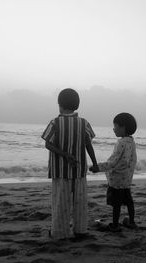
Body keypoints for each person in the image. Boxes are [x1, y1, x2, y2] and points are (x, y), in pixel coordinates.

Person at [41, 88, 98, 239]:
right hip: (79, 172)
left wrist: (65, 155)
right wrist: (95, 163)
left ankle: (59, 233)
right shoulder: (84, 123)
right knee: (80, 203)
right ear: (77, 105)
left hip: (60, 172)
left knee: (60, 203)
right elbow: (88, 145)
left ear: (59, 104)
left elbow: (48, 144)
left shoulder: (55, 122)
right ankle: (80, 231)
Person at [90, 112, 137, 232]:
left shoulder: (121, 143)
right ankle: (131, 222)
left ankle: (115, 225)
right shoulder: (131, 142)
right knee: (128, 201)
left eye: (115, 126)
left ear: (123, 127)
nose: (113, 129)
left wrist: (98, 167)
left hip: (117, 180)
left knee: (116, 204)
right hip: (127, 179)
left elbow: (113, 162)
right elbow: (133, 160)